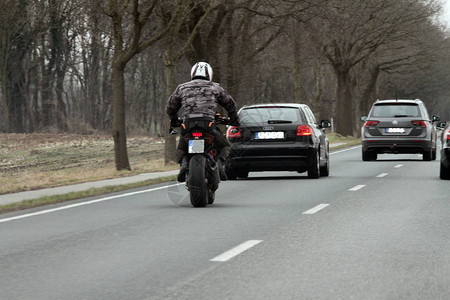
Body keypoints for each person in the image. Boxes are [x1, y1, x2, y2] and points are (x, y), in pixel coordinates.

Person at [166, 62, 239, 182]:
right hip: (208, 125)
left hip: (187, 124)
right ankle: (220, 164)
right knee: (225, 145)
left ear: (192, 73)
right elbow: (231, 105)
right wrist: (234, 120)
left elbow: (170, 108)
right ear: (209, 74)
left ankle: (184, 164)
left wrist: (174, 121)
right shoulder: (215, 87)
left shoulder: (181, 87)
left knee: (182, 147)